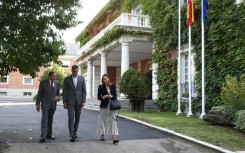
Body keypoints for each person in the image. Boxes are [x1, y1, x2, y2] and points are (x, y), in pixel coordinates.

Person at [63, 65, 86, 142]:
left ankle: (74, 131)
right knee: (71, 118)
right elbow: (64, 91)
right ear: (71, 71)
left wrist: (83, 101)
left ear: (78, 70)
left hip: (79, 101)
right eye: (74, 71)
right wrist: (64, 102)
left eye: (77, 71)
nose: (75, 73)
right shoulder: (66, 79)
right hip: (70, 101)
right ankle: (71, 135)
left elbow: (84, 91)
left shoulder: (82, 78)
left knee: (77, 118)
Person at [36, 71, 60, 143]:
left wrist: (57, 98)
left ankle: (49, 134)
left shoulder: (57, 83)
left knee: (50, 120)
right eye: (53, 76)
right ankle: (43, 136)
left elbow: (58, 94)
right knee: (44, 120)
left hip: (53, 105)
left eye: (55, 76)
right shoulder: (43, 83)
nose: (54, 77)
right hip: (45, 105)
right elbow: (39, 94)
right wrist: (37, 104)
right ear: (49, 76)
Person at [97, 73, 119, 144]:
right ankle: (102, 134)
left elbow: (115, 96)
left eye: (105, 79)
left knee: (113, 121)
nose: (104, 80)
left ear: (108, 79)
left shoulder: (113, 86)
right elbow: (98, 97)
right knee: (102, 120)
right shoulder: (100, 86)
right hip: (103, 106)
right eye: (103, 79)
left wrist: (111, 96)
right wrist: (105, 96)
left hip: (111, 106)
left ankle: (114, 138)